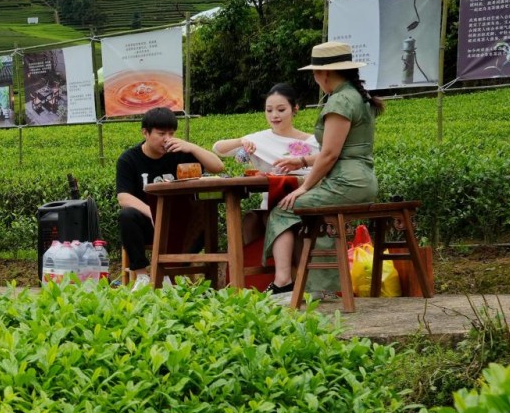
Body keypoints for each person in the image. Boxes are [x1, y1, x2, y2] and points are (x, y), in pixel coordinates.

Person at [262, 41, 385, 297]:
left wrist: (304, 187)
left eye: (315, 73)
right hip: (361, 180)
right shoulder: (357, 96)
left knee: (283, 209)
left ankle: (284, 283)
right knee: (309, 214)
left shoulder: (339, 101)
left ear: (324, 73)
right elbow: (342, 150)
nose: (316, 79)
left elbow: (330, 154)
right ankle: (315, 286)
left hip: (346, 183)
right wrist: (302, 162)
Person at [116, 107, 225, 289]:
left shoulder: (180, 153)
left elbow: (218, 167)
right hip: (149, 224)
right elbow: (124, 197)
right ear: (145, 132)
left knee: (207, 217)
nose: (167, 139)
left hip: (179, 225)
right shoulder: (129, 159)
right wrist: (153, 213)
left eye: (171, 133)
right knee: (127, 216)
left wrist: (191, 147)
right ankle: (142, 276)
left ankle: (170, 272)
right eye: (161, 134)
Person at [213, 83, 320, 245]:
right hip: (271, 202)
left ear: (295, 109)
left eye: (281, 110)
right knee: (251, 219)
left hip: (307, 200)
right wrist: (241, 141)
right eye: (269, 110)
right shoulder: (259, 140)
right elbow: (218, 148)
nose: (274, 115)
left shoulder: (313, 142)